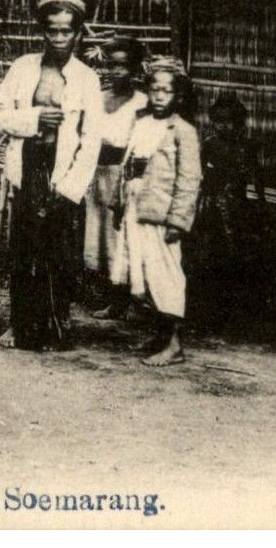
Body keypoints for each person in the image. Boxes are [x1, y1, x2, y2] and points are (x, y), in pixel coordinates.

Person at [0, 0, 102, 352]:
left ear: (77, 34)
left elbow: (91, 138)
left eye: (65, 32)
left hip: (65, 169)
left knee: (61, 253)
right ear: (43, 32)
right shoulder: (24, 68)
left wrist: (70, 186)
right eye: (52, 31)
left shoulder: (86, 79)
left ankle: (57, 326)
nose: (58, 39)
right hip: (30, 163)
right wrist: (36, 117)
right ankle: (18, 324)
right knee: (25, 247)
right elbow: (2, 115)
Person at [115, 59, 202, 366]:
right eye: (155, 89)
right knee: (144, 274)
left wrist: (178, 220)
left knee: (167, 276)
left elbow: (190, 179)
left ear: (178, 96)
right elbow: (127, 162)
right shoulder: (140, 121)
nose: (160, 96)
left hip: (161, 214)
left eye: (168, 91)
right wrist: (118, 201)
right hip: (135, 206)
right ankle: (160, 334)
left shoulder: (183, 131)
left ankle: (176, 344)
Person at [84, 37, 148, 318]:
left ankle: (131, 301)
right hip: (95, 174)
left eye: (123, 66)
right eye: (111, 65)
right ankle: (111, 298)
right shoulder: (98, 97)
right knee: (99, 238)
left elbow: (141, 145)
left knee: (123, 238)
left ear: (135, 68)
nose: (115, 71)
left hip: (124, 178)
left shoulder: (142, 102)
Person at [192, 93, 264, 328]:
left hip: (237, 209)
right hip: (211, 208)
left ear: (239, 122)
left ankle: (232, 313)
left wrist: (261, 202)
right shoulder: (210, 144)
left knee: (234, 256)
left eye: (229, 121)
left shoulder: (248, 146)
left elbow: (256, 176)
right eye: (219, 121)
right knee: (207, 255)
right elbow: (199, 174)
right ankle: (206, 311)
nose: (224, 126)